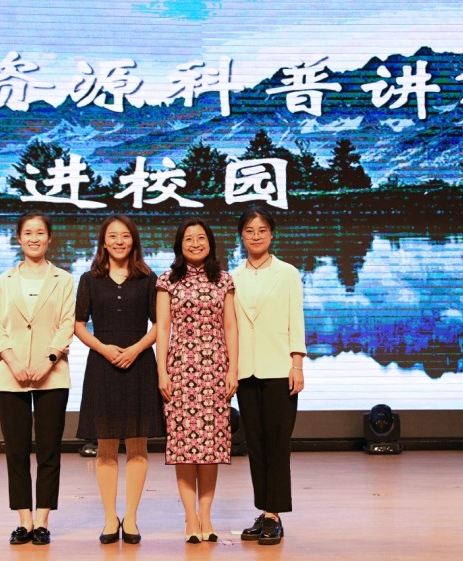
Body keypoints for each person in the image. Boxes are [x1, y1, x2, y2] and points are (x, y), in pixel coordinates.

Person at [0, 210, 76, 546]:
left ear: (49, 237)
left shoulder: (64, 280)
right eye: (28, 233)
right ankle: (24, 520)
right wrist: (11, 360)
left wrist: (48, 360)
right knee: (16, 450)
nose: (34, 238)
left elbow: (67, 323)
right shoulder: (4, 280)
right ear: (19, 238)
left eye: (40, 232)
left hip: (52, 375)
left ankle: (42, 521)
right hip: (10, 376)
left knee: (49, 450)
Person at [75, 214, 164, 545]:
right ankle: (110, 518)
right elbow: (78, 324)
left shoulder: (148, 279)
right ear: (103, 242)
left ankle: (132, 518)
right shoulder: (89, 279)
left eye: (125, 235)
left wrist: (137, 348)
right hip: (103, 366)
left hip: (140, 365)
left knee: (138, 444)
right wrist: (103, 348)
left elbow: (160, 324)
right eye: (112, 236)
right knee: (106, 445)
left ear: (134, 241)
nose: (119, 241)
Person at [155, 216, 238, 544]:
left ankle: (207, 515)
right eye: (188, 238)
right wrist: (162, 371)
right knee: (184, 448)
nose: (195, 243)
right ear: (180, 244)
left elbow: (230, 326)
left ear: (210, 243)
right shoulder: (167, 280)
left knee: (210, 447)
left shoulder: (224, 280)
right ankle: (190, 517)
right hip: (179, 371)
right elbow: (163, 328)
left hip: (215, 371)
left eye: (201, 237)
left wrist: (232, 369)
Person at [230, 207, 307, 546]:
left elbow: (296, 319)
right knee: (256, 445)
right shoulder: (232, 277)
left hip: (279, 370)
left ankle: (274, 515)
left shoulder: (287, 273)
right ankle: (264, 511)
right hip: (246, 370)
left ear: (272, 234)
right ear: (241, 236)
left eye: (262, 230)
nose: (256, 236)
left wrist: (297, 364)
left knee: (277, 444)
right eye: (250, 230)